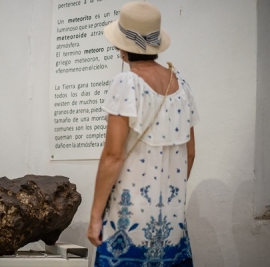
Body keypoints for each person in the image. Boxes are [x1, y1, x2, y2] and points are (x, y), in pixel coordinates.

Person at [87, 2, 199, 267]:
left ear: (123, 47)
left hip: (128, 224)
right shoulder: (181, 84)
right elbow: (190, 153)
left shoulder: (126, 83)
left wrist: (94, 217)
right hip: (171, 225)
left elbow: (113, 156)